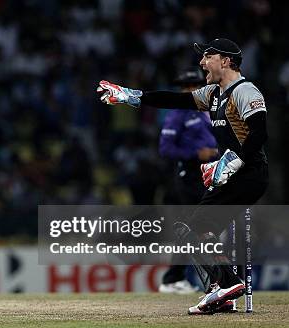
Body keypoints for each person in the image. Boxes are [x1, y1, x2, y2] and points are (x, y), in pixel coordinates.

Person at [97, 38, 268, 314]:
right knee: (195, 229)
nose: (202, 63)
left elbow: (260, 133)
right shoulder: (214, 93)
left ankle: (225, 284)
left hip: (249, 174)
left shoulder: (245, 90)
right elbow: (174, 99)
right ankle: (223, 288)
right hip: (232, 175)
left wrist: (232, 161)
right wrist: (131, 95)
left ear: (225, 61)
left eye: (207, 57)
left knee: (193, 228)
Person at [158, 68, 218, 294]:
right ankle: (174, 278)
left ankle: (176, 277)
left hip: (209, 172)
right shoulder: (177, 114)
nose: (191, 90)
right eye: (187, 87)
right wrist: (196, 154)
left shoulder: (207, 110)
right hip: (190, 175)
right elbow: (165, 149)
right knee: (196, 225)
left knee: (199, 226)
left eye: (195, 86)